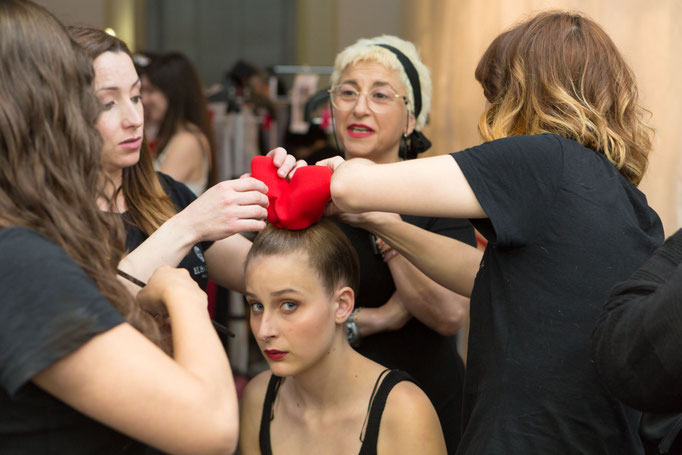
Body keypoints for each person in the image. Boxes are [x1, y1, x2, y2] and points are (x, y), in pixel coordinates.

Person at [322, 11, 663, 454]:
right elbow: (485, 275)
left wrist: (333, 178)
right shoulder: (629, 202)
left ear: (524, 92)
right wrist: (381, 223)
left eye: (495, 94)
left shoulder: (542, 158)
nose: (489, 111)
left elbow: (350, 186)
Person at [0, 1, 238, 453]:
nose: (131, 117)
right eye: (99, 103)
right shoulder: (19, 260)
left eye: (135, 96)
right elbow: (214, 426)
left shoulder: (37, 229)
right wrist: (180, 292)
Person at [326, 35, 475, 452]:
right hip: (333, 407)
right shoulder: (316, 191)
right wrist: (375, 319)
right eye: (348, 92)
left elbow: (448, 315)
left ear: (411, 118)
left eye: (380, 95)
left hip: (428, 398)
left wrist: (380, 223)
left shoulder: (438, 196)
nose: (359, 107)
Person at [69, 26, 299, 294]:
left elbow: (270, 278)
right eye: (107, 104)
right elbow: (94, 309)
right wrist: (189, 225)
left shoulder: (166, 193)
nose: (135, 119)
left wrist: (287, 206)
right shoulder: (43, 216)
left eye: (136, 97)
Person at [239, 220, 447, 455]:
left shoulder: (403, 412)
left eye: (289, 305)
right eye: (256, 305)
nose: (265, 330)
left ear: (341, 305)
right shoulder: (258, 399)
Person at [140, 52, 215, 195]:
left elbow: (152, 195)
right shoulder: (177, 135)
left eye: (151, 90)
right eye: (143, 90)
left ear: (173, 93)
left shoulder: (187, 142)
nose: (144, 98)